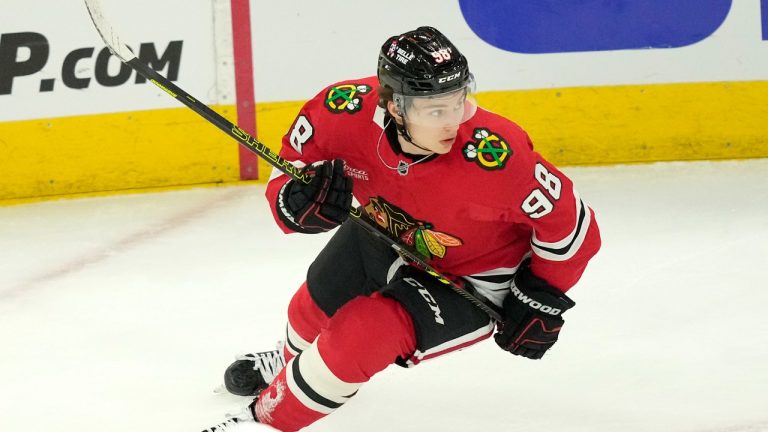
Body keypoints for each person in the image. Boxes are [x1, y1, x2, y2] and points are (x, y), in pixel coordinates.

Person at [209, 26, 601, 431]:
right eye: (435, 111)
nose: (453, 122)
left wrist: (539, 295)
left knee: (361, 334)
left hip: (474, 277)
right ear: (395, 107)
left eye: (458, 103)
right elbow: (289, 167)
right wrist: (294, 203)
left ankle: (265, 421)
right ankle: (291, 366)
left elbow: (575, 229)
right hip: (386, 229)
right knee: (313, 301)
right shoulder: (340, 110)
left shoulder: (496, 156)